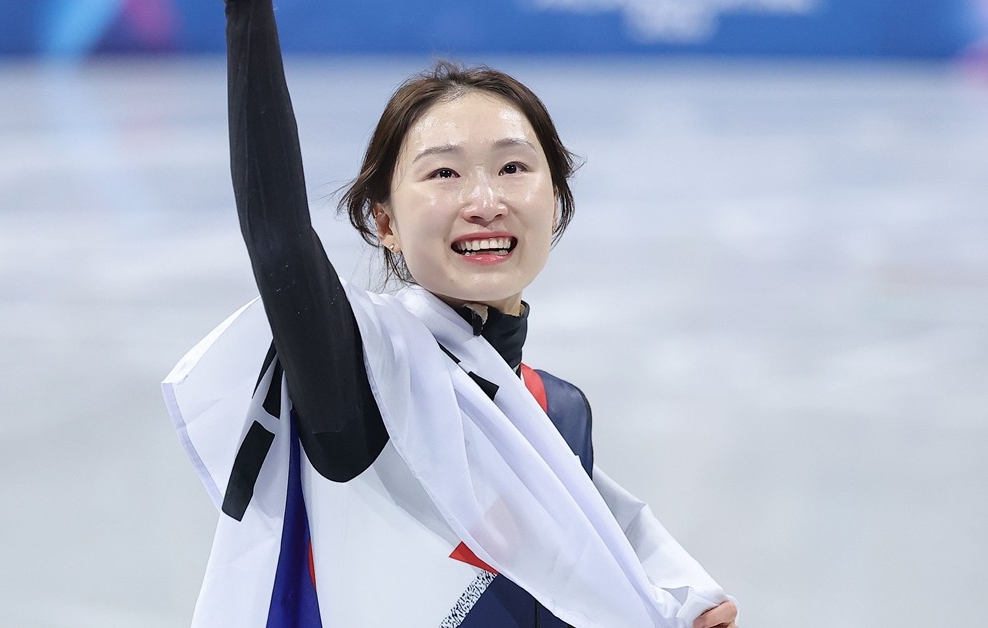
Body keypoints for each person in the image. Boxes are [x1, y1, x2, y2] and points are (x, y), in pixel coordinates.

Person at [162, 0, 739, 626]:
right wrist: (247, 15)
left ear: (555, 204)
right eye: (443, 173)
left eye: (513, 167)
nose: (484, 201)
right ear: (384, 221)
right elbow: (278, 238)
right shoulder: (365, 386)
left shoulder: (558, 411)